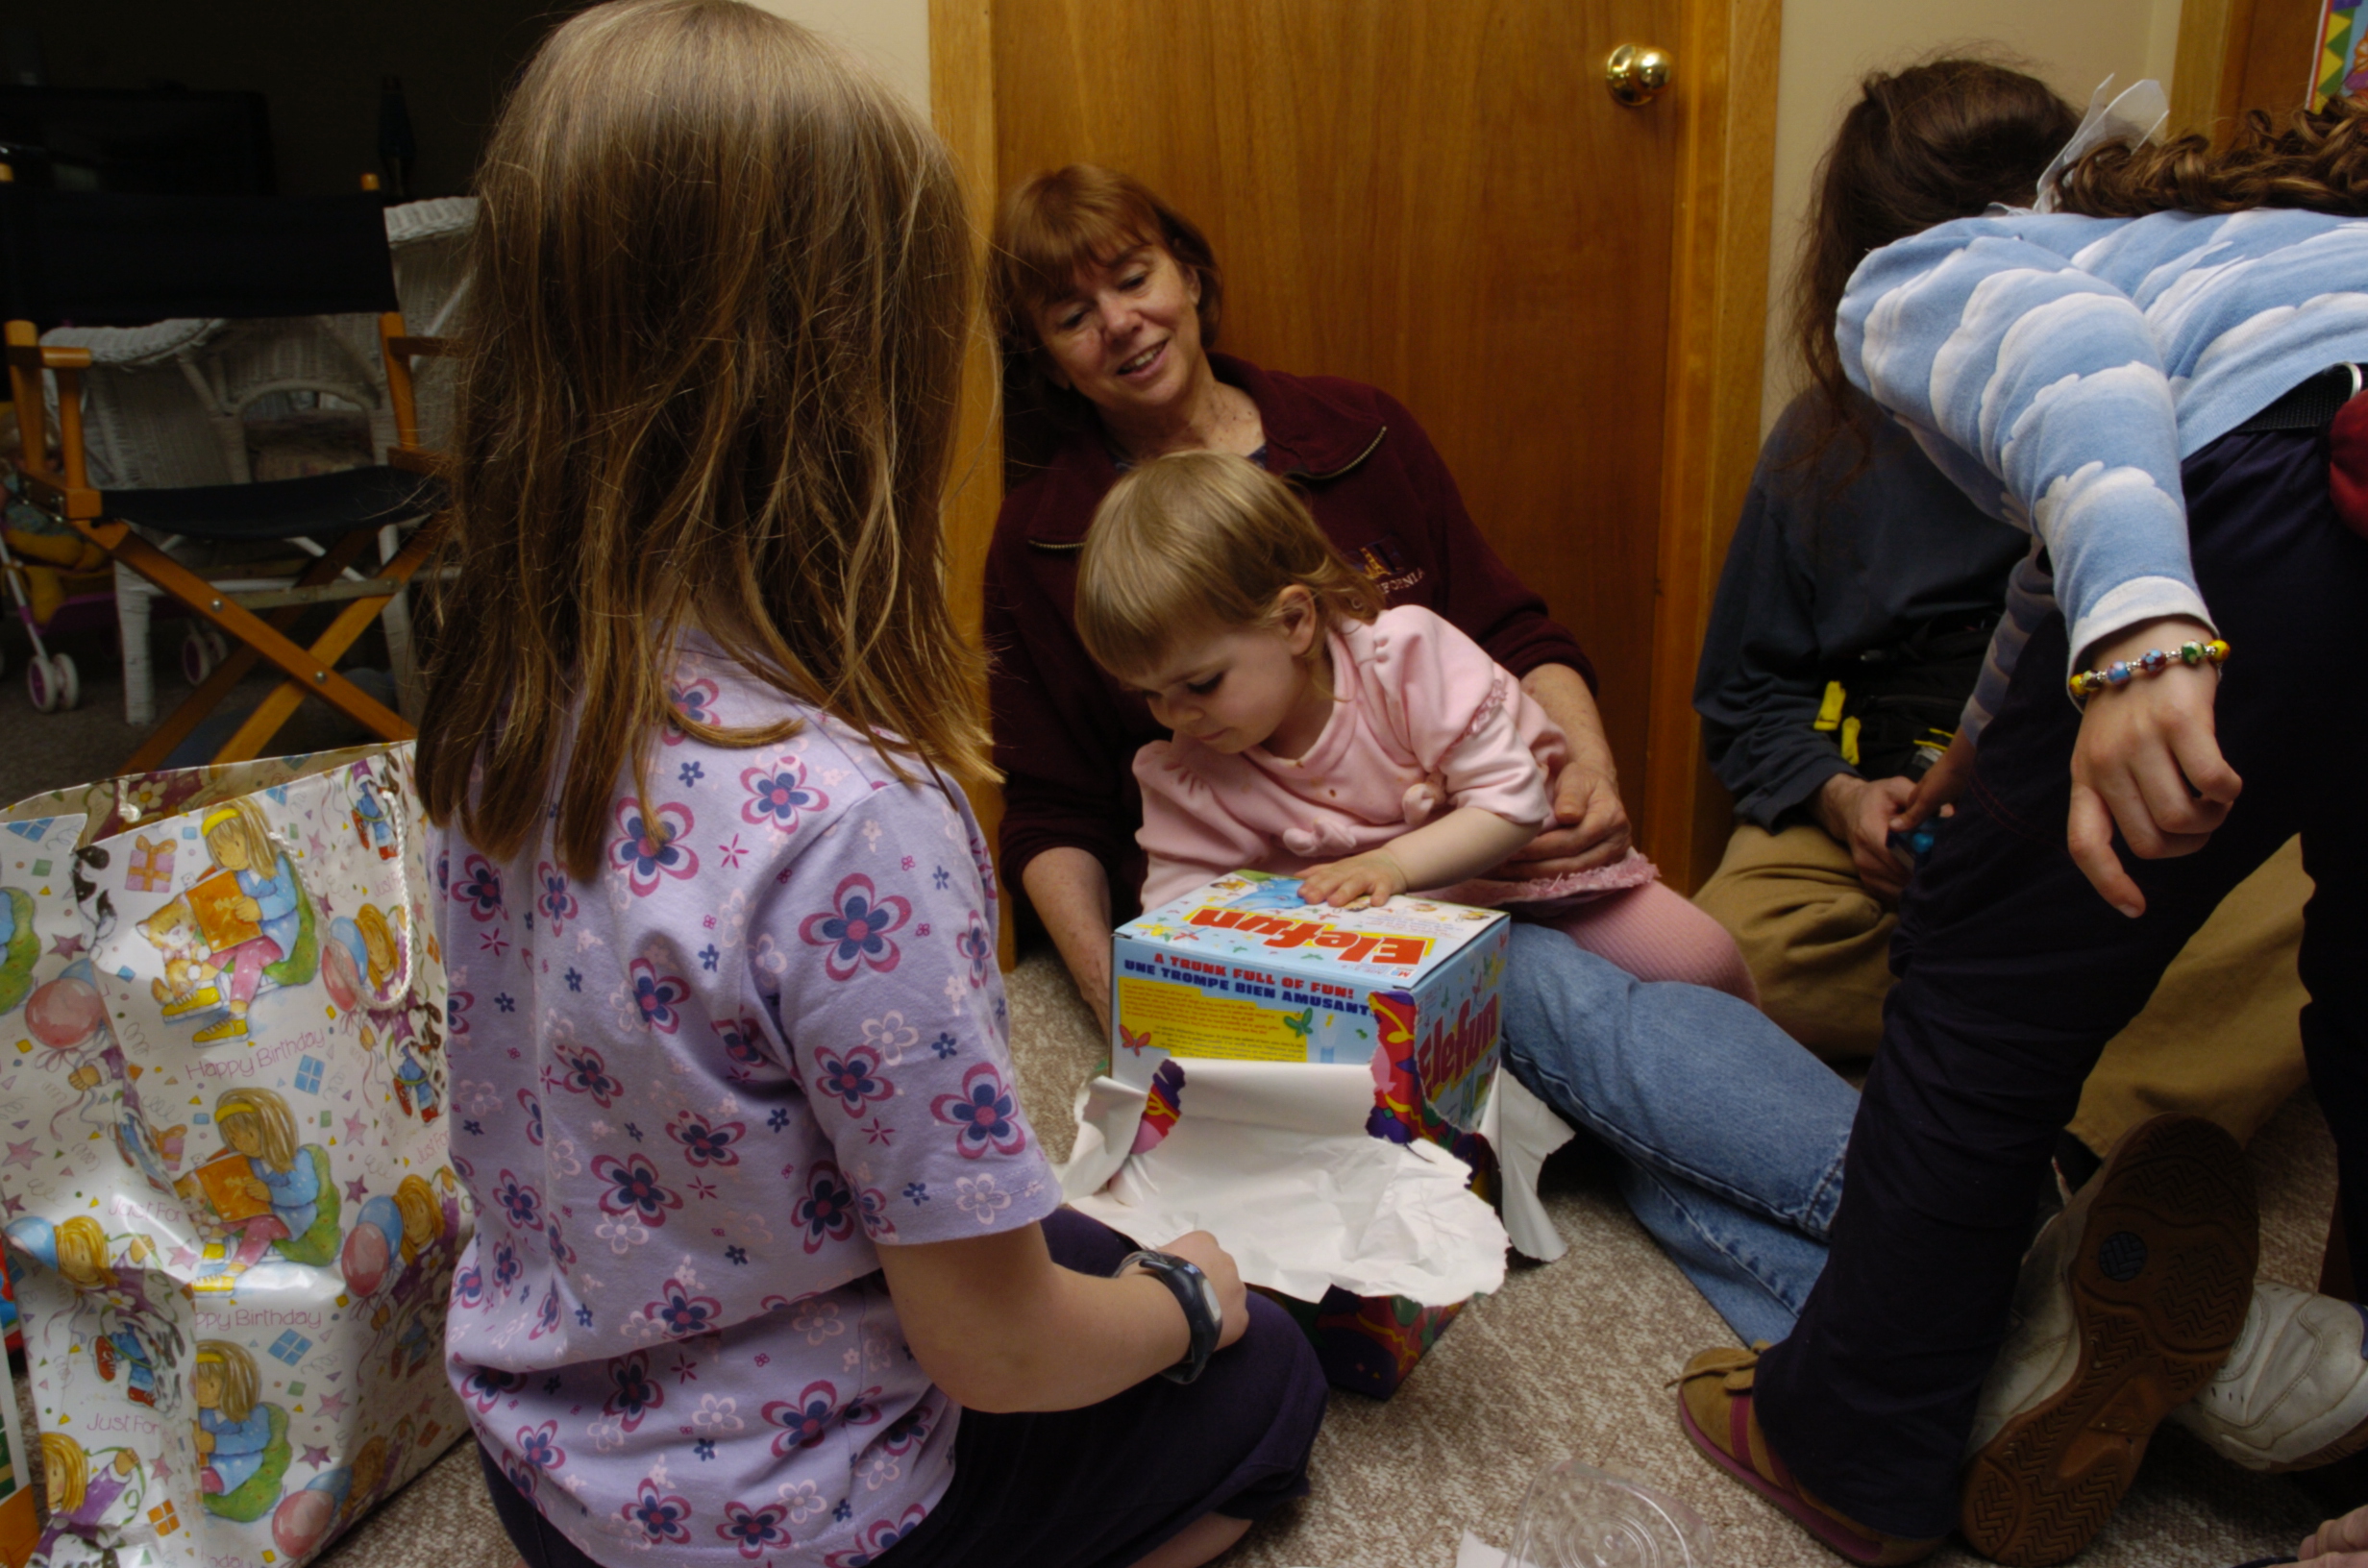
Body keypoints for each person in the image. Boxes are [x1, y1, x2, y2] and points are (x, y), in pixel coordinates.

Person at [415, 7, 1325, 1567]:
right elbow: (998, 1352)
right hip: (804, 1521)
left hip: (549, 1467)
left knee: (1047, 1223)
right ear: (866, 381)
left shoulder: (501, 699)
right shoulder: (853, 816)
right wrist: (1189, 1305)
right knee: (1266, 1375)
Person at [1676, 70, 2368, 1565]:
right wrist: (1978, 757)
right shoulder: (2248, 253)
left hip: (2272, 530)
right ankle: (2343, 1402)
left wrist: (2143, 631)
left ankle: (1854, 1448)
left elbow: (2078, 365)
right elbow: (2041, 586)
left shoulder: (1938, 271)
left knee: (1984, 995)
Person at [1690, 58, 2308, 1178]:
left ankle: (2084, 1146)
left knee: (2288, 910)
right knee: (1728, 949)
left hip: (2137, 799)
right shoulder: (1824, 440)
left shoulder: (2190, 396)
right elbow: (1748, 688)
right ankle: (2065, 1013)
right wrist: (1841, 798)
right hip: (1905, 797)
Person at [984, 163, 1753, 1030]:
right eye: (1072, 317)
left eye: (1133, 279)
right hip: (1312, 918)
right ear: (1048, 361)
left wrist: (1590, 778)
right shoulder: (1042, 541)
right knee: (1559, 1014)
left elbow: (1513, 633)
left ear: (1189, 277)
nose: (1120, 323)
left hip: (1493, 842)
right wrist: (1123, 995)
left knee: (1696, 968)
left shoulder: (1360, 434)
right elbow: (1055, 808)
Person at [1078, 451, 1702, 946]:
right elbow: (1176, 911)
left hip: (1531, 869)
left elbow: (1513, 804)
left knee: (1699, 956)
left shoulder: (1403, 661)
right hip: (1397, 929)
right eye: (1149, 693)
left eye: (1201, 683)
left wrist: (1393, 865)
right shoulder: (1195, 763)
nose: (1176, 715)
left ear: (1293, 621)